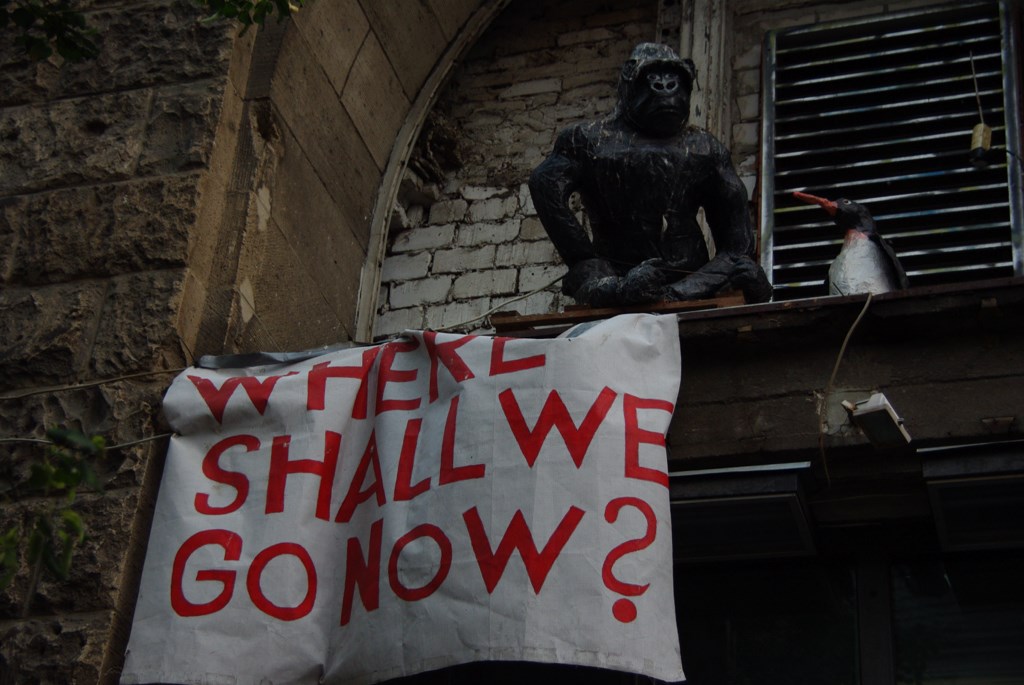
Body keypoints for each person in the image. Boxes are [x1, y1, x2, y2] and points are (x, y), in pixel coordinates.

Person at [529, 42, 772, 306]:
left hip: (691, 278)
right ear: (629, 78)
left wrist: (684, 290)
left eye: (674, 77)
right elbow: (544, 185)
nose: (665, 86)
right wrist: (583, 258)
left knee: (746, 273)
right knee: (591, 280)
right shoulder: (587, 139)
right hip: (615, 277)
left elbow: (736, 248)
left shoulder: (706, 147)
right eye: (654, 76)